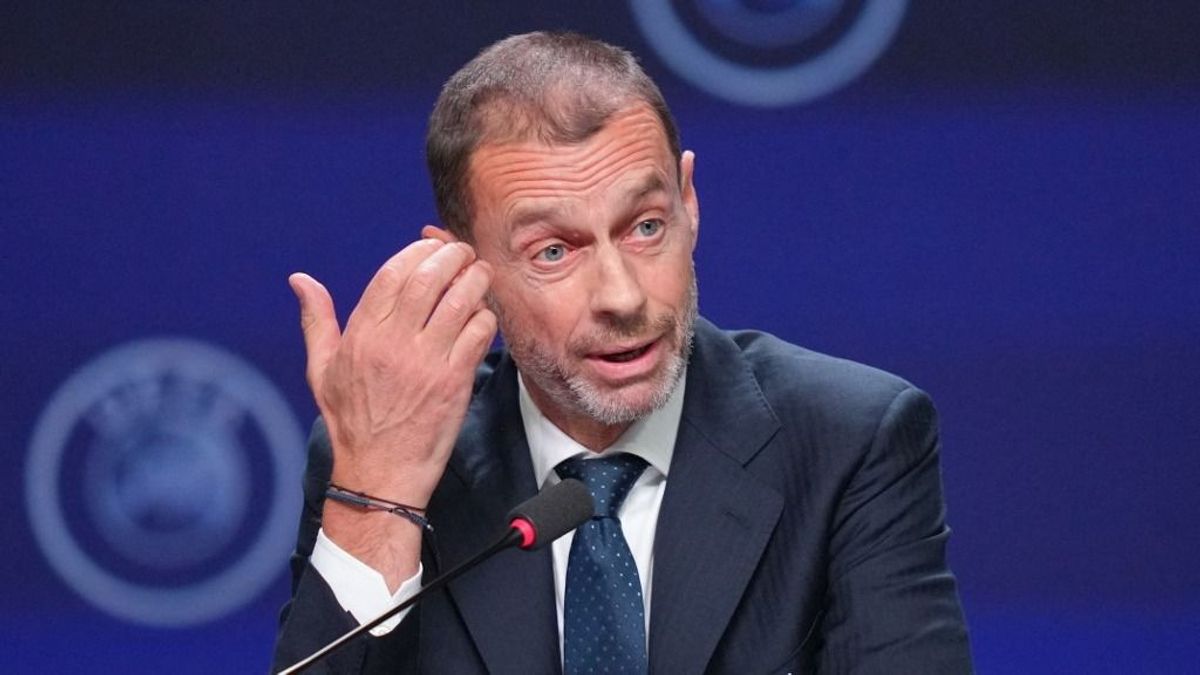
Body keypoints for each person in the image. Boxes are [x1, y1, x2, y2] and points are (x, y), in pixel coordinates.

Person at [271, 31, 972, 674]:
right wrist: (375, 499)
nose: (622, 295)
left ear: (688, 204)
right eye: (554, 250)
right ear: (462, 265)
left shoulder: (848, 442)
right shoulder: (383, 465)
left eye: (645, 226)